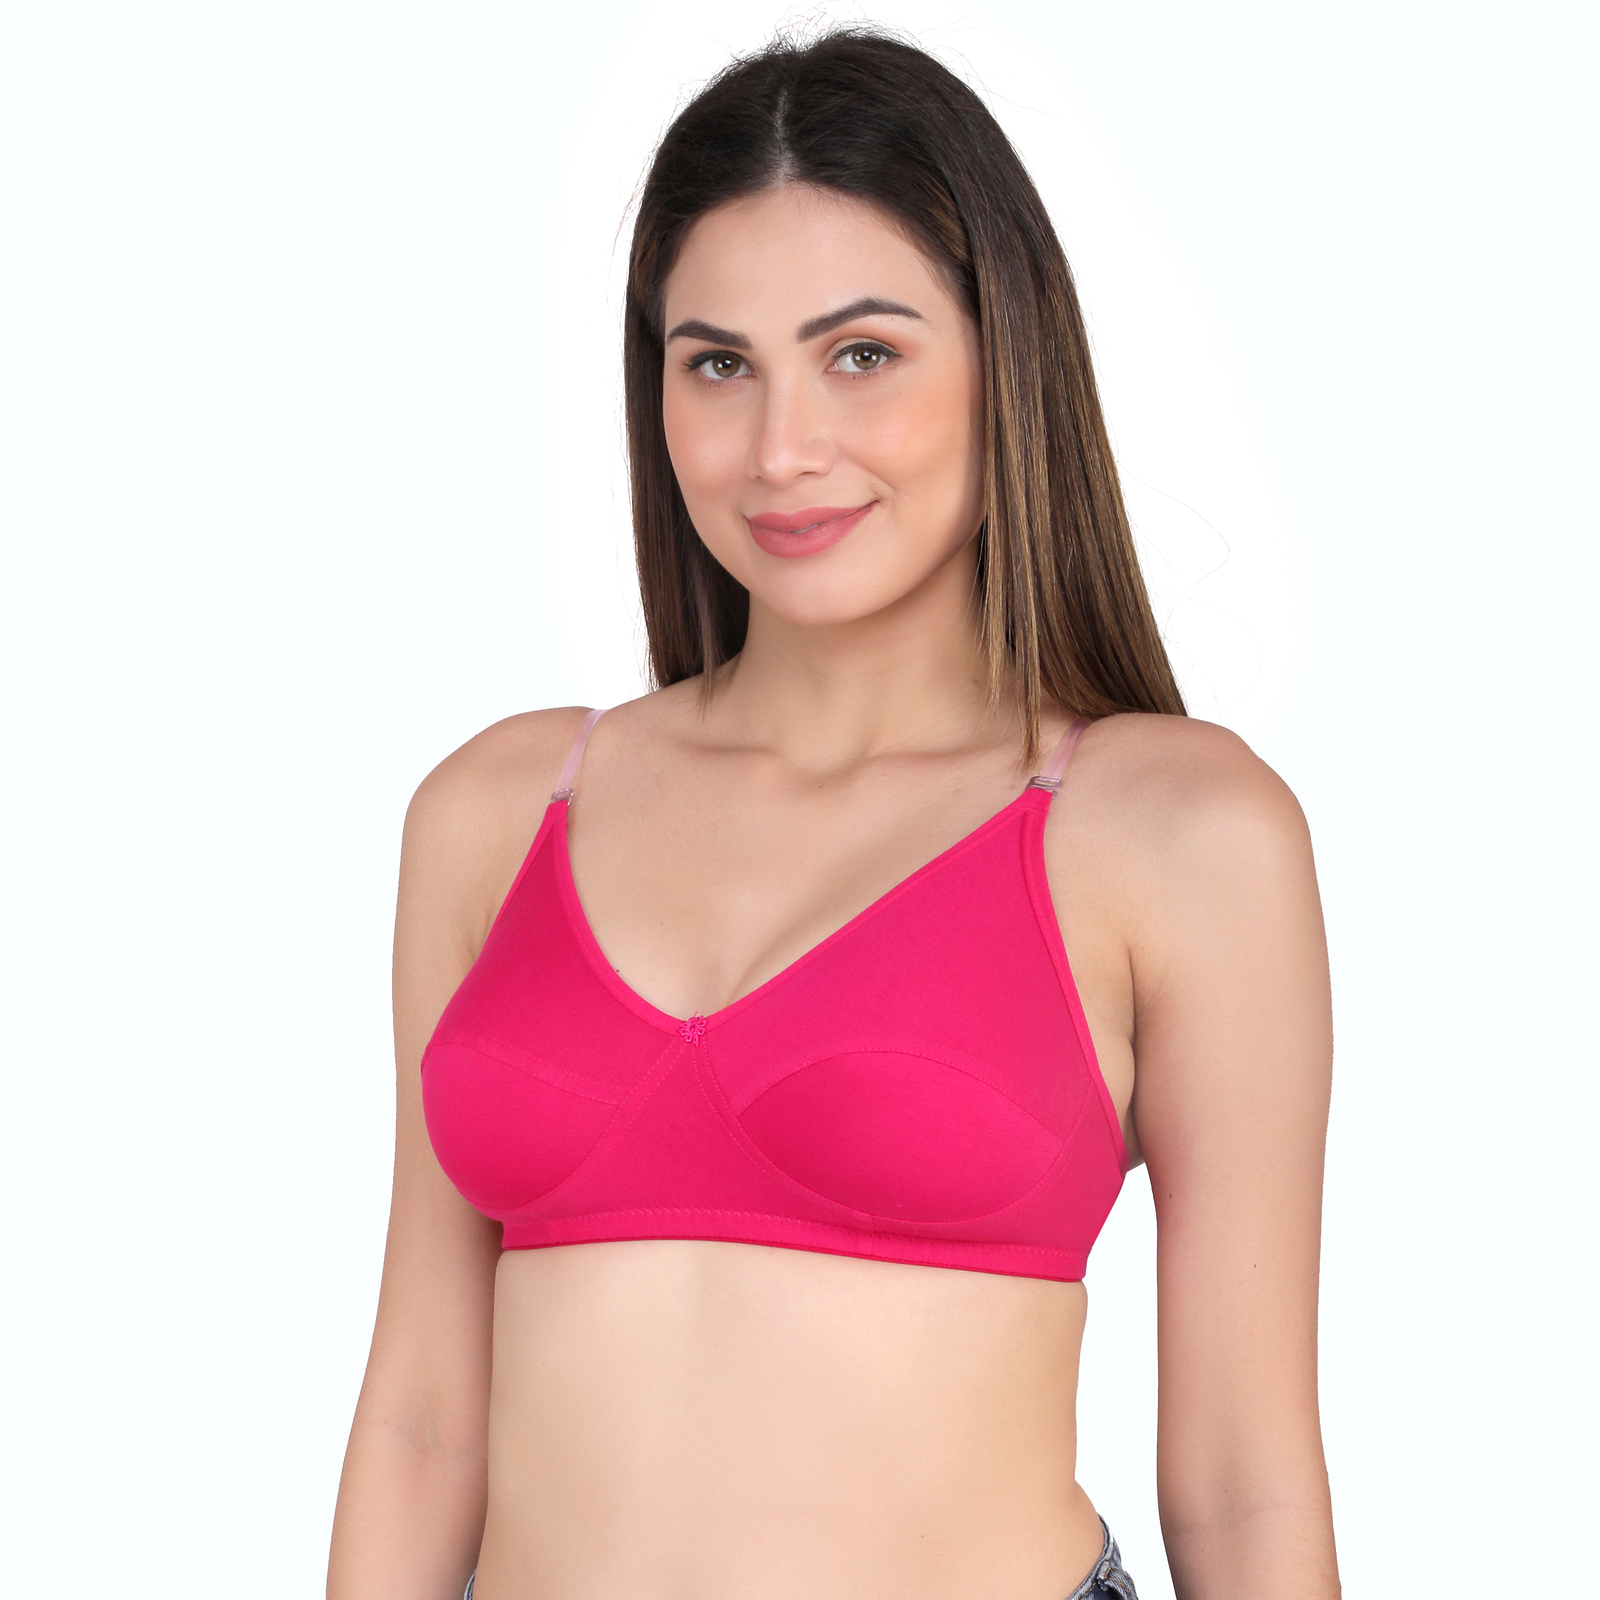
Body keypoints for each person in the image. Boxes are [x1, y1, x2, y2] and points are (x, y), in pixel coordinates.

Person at [328, 28, 1338, 1600]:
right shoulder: (498, 811)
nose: (782, 449)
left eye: (862, 355)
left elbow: (1242, 1485)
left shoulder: (1172, 832)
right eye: (718, 364)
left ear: (1006, 360)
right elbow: (418, 1421)